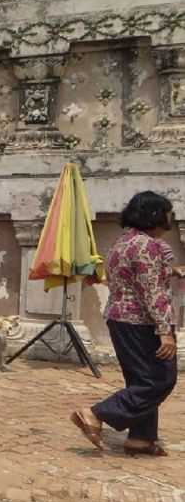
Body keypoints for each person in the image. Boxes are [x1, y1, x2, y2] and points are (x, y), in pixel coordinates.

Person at [71, 191, 179, 456]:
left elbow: (135, 275)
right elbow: (153, 292)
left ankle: (141, 438)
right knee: (159, 379)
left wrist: (169, 271)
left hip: (120, 320)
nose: (169, 220)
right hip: (141, 323)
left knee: (140, 380)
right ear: (155, 216)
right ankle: (96, 414)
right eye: (166, 214)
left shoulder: (123, 242)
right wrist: (165, 332)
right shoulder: (149, 246)